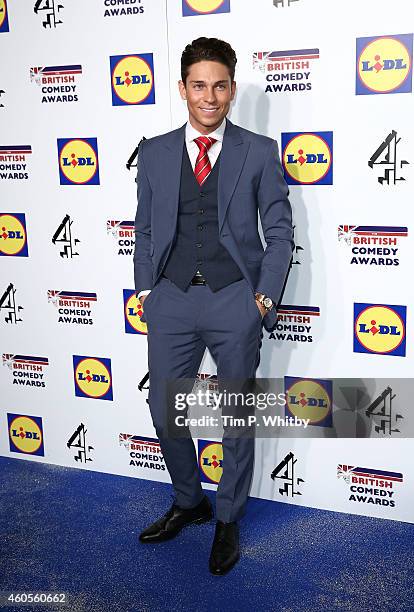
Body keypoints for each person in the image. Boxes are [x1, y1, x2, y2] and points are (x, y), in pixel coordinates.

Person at [133, 37, 294, 575]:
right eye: (199, 85)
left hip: (234, 300)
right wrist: (147, 292)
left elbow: (279, 229)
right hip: (172, 297)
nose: (210, 96)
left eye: (220, 85)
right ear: (182, 89)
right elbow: (146, 227)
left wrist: (263, 300)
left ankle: (227, 516)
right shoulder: (154, 151)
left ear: (232, 89)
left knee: (235, 416)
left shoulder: (258, 149)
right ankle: (189, 499)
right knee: (163, 408)